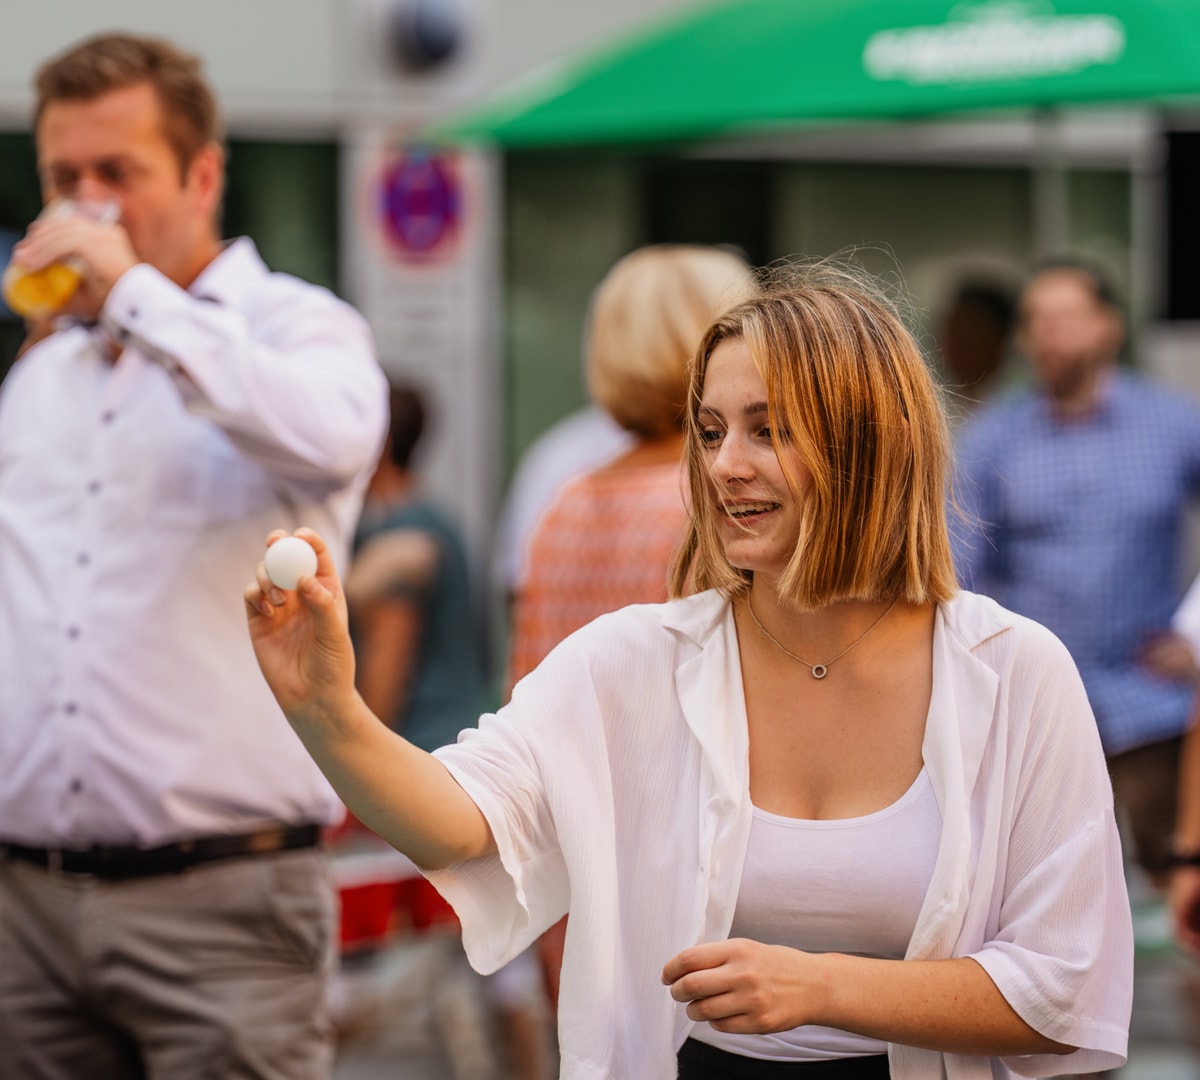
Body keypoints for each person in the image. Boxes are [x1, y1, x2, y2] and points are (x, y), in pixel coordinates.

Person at [246, 266, 1132, 1078]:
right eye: (709, 431)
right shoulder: (634, 658)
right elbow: (459, 823)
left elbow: (1065, 990)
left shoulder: (1011, 672)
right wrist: (325, 706)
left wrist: (825, 987)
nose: (722, 465)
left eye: (768, 430)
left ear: (874, 445)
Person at [0, 32, 387, 1080]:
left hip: (227, 907)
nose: (88, 205)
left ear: (204, 174)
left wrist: (132, 293)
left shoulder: (298, 328)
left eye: (116, 174)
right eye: (63, 179)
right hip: (26, 909)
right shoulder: (45, 377)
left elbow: (335, 435)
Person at [953, 256, 1200, 885]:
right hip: (1037, 710)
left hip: (1149, 705)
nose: (1049, 333)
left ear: (1108, 327)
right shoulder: (992, 438)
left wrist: (1198, 636)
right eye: (1036, 320)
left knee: (1180, 888)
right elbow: (956, 572)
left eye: (1066, 317)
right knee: (1043, 898)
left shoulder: (1174, 424)